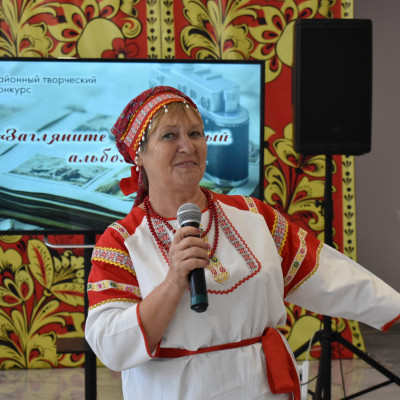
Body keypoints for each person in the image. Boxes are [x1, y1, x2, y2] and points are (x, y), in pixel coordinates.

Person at [85, 86, 400, 400]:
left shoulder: (253, 215)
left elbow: (328, 275)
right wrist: (174, 281)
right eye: (169, 136)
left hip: (262, 389)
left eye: (195, 133)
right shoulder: (122, 241)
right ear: (138, 154)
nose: (188, 146)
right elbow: (111, 345)